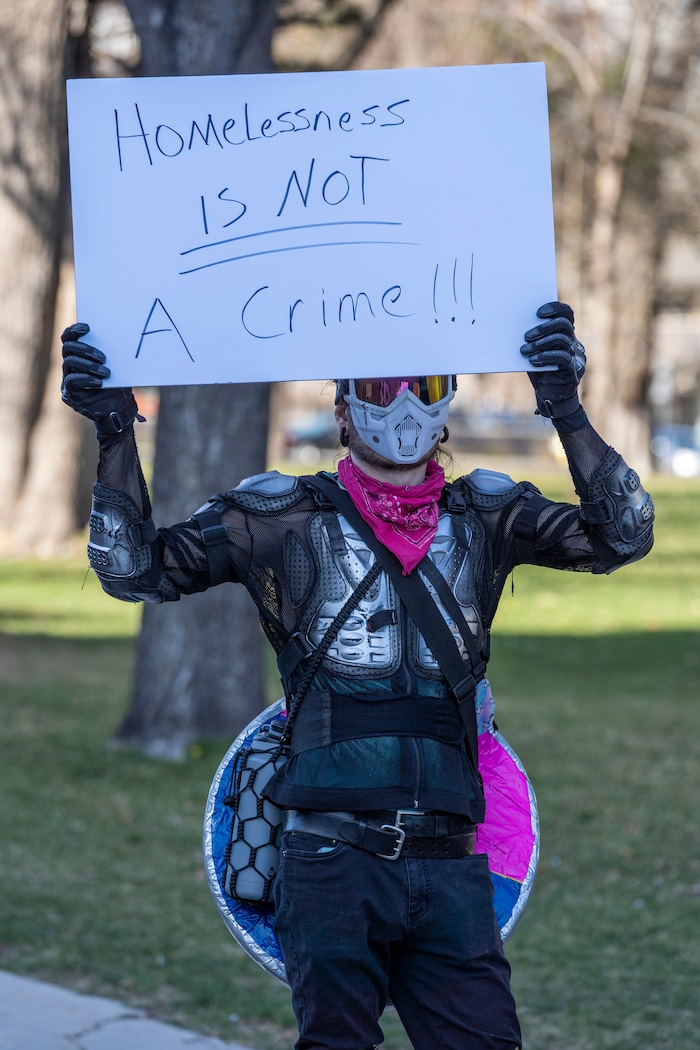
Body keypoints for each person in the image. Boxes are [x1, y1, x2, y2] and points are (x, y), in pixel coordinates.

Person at [61, 302, 654, 1050]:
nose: (401, 406)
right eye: (378, 390)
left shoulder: (487, 516)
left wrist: (565, 408)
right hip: (331, 864)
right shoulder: (276, 519)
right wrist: (114, 430)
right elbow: (131, 569)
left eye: (423, 385)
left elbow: (623, 535)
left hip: (451, 867)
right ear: (342, 411)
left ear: (446, 406)